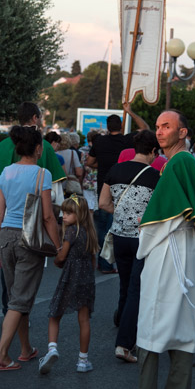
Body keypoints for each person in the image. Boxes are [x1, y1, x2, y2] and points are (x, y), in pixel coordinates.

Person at [136, 110, 195, 389]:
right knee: (180, 323)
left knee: (153, 319)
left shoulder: (177, 163)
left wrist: (143, 237)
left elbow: (160, 220)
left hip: (169, 251)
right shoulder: (186, 161)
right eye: (157, 127)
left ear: (183, 133)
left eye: (167, 126)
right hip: (184, 248)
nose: (159, 131)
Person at [0, 126, 61, 371]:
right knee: (20, 300)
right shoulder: (42, 174)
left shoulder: (5, 172)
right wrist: (59, 245)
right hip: (28, 239)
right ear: (39, 149)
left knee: (16, 298)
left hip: (6, 236)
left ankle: (25, 349)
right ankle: (1, 355)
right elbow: (48, 217)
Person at [98, 129, 159, 362]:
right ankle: (125, 344)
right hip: (142, 239)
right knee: (137, 288)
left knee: (125, 284)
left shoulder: (115, 170)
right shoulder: (155, 176)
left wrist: (121, 213)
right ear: (153, 151)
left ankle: (123, 319)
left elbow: (103, 202)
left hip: (119, 236)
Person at [39, 195, 98, 374]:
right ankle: (83, 360)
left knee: (55, 313)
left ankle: (52, 349)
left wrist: (57, 261)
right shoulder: (90, 233)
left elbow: (62, 256)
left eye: (69, 213)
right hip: (86, 279)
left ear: (78, 214)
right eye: (64, 212)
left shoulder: (72, 231)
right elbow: (93, 260)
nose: (64, 216)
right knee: (84, 319)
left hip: (70, 277)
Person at [86, 114, 133, 273]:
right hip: (121, 188)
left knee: (102, 227)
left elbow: (90, 162)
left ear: (107, 126)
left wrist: (103, 165)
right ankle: (110, 262)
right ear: (120, 125)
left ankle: (102, 261)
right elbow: (145, 128)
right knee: (116, 226)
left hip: (103, 186)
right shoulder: (126, 141)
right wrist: (130, 112)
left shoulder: (99, 141)